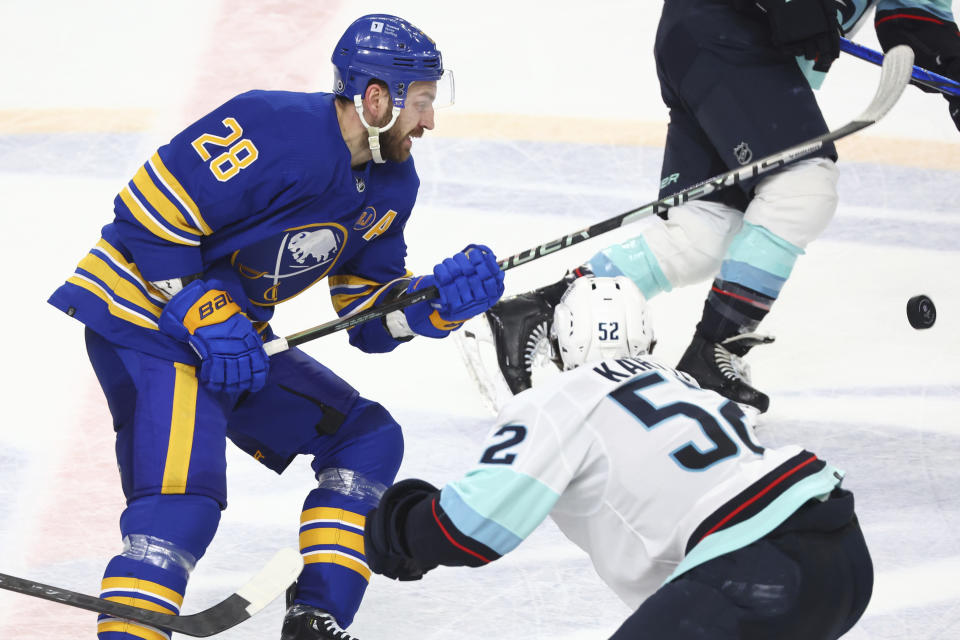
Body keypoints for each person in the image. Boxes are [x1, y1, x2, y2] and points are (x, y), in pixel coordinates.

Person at [47, 14, 504, 640]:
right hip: (144, 319)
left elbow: (366, 314)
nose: (430, 121)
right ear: (377, 98)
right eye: (421, 102)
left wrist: (435, 305)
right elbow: (147, 214)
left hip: (230, 339)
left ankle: (316, 618)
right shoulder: (271, 125)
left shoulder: (394, 183)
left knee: (366, 439)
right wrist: (204, 311)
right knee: (179, 502)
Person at [474, 0, 960, 414]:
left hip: (718, 48)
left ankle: (532, 311)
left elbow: (916, 27)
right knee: (802, 186)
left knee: (702, 232)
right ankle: (712, 354)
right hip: (725, 26)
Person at [364, 276, 874, 640]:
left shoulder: (561, 397)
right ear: (647, 341)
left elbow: (466, 530)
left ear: (560, 346)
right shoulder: (687, 385)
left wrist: (391, 529)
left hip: (754, 569)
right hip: (843, 549)